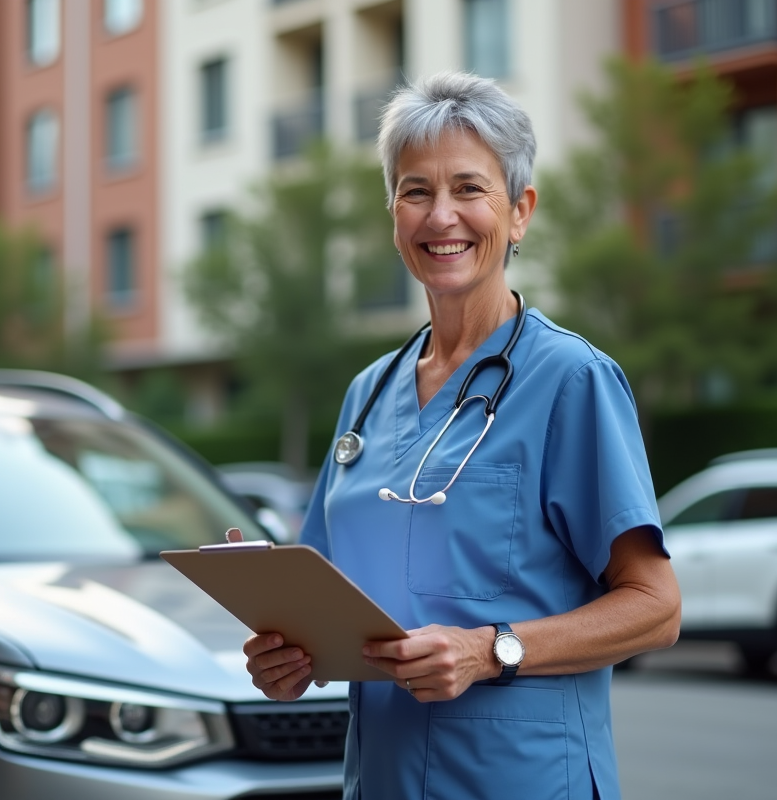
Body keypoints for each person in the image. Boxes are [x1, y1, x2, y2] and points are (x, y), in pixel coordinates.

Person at [243, 71, 681, 800]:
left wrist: (491, 650)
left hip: (524, 782)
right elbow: (332, 605)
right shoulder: (368, 394)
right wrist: (289, 657)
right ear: (393, 216)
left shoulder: (571, 379)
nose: (440, 216)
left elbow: (657, 607)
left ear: (519, 213)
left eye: (470, 189)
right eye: (416, 191)